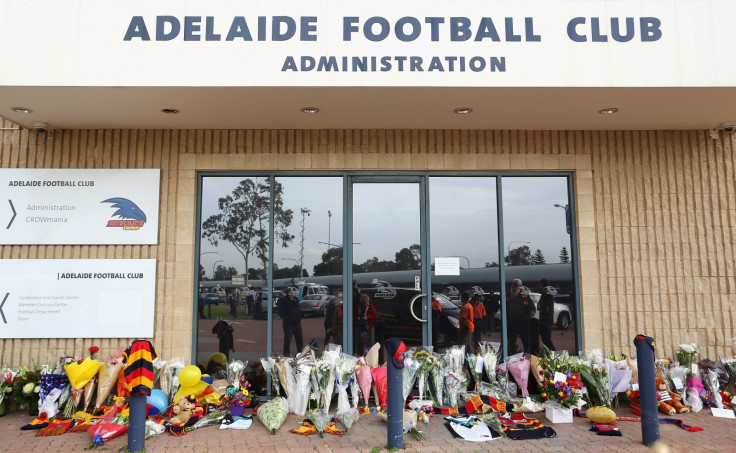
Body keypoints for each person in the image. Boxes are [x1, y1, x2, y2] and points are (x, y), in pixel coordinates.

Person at [506, 279, 535, 354]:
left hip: (523, 321)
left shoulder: (524, 294)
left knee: (525, 340)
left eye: (516, 285)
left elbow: (530, 305)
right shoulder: (508, 294)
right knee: (511, 340)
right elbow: (504, 306)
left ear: (520, 286)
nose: (514, 286)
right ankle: (511, 354)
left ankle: (527, 355)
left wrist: (530, 313)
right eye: (513, 284)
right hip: (511, 321)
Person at [277, 286, 303, 356]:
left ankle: (300, 354)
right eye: (295, 290)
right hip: (288, 324)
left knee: (299, 339)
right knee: (288, 340)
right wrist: (286, 318)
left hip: (297, 323)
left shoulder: (296, 299)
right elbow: (280, 311)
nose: (296, 292)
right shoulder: (284, 299)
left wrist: (299, 317)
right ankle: (286, 355)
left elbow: (298, 309)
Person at [537, 278, 557, 353]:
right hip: (542, 318)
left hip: (547, 319)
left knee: (547, 339)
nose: (540, 287)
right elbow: (539, 306)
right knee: (544, 339)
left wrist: (542, 306)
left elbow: (547, 307)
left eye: (540, 285)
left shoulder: (548, 295)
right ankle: (549, 352)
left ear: (543, 285)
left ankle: (553, 352)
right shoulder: (543, 295)